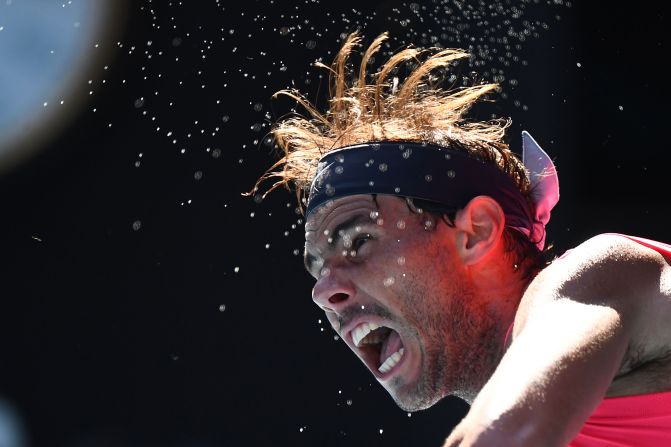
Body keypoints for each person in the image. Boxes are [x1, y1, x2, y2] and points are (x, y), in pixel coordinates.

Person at [248, 32, 671, 446]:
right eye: (317, 269)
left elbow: (507, 436)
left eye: (358, 242)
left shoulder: (598, 272)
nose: (323, 292)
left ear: (476, 231)